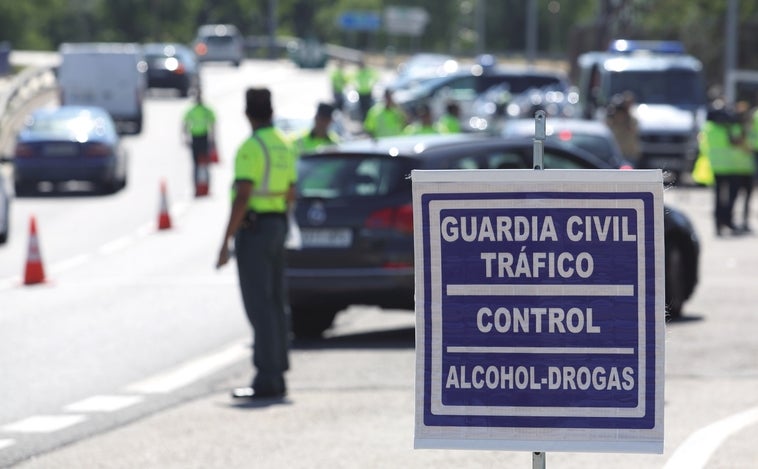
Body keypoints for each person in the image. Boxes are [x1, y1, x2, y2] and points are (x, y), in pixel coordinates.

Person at [216, 87, 298, 400]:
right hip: (277, 225)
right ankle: (277, 372)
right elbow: (291, 192)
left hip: (255, 230)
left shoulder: (250, 148)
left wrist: (226, 241)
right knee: (277, 302)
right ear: (272, 111)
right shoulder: (284, 145)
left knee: (258, 305)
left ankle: (266, 376)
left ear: (247, 113)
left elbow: (243, 196)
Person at [701, 102, 754, 236]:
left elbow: (703, 145)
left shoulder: (708, 128)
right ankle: (727, 221)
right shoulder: (731, 127)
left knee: (718, 197)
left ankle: (718, 224)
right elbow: (739, 142)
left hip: (717, 167)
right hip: (732, 167)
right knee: (731, 197)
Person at [182, 90, 216, 185]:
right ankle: (197, 184)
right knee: (197, 164)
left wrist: (213, 139)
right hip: (195, 138)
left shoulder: (206, 110)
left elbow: (212, 123)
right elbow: (185, 125)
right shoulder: (193, 111)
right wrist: (186, 138)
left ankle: (206, 184)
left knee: (204, 163)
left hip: (204, 137)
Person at [605, 92, 641, 167]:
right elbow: (606, 127)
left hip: (629, 153)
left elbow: (634, 129)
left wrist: (627, 114)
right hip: (616, 154)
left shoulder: (631, 120)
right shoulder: (612, 121)